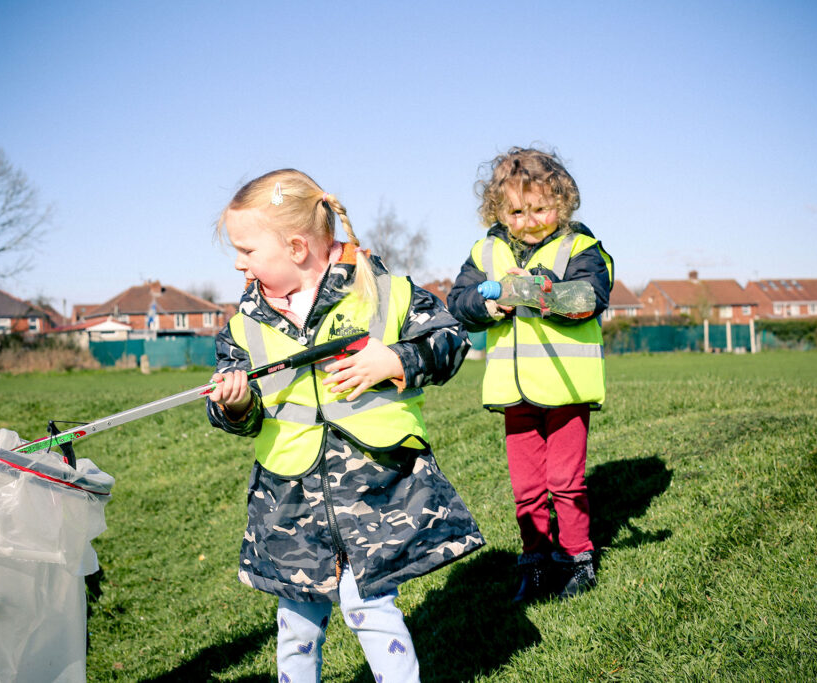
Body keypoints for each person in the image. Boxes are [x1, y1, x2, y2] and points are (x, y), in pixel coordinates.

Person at [207, 169, 484, 683]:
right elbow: (236, 416)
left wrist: (395, 360)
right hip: (288, 504)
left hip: (373, 497)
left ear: (295, 247)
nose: (238, 262)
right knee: (295, 626)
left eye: (246, 250)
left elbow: (450, 340)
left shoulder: (383, 291)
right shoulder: (242, 327)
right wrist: (236, 405)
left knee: (370, 611)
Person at [447, 147, 614, 602]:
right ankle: (535, 563)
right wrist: (491, 303)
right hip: (513, 392)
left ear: (563, 202)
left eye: (540, 209)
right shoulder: (486, 251)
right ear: (498, 211)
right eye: (517, 212)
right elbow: (458, 301)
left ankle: (576, 559)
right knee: (527, 488)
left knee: (565, 482)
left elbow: (590, 297)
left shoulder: (580, 247)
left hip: (566, 389)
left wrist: (543, 293)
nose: (529, 221)